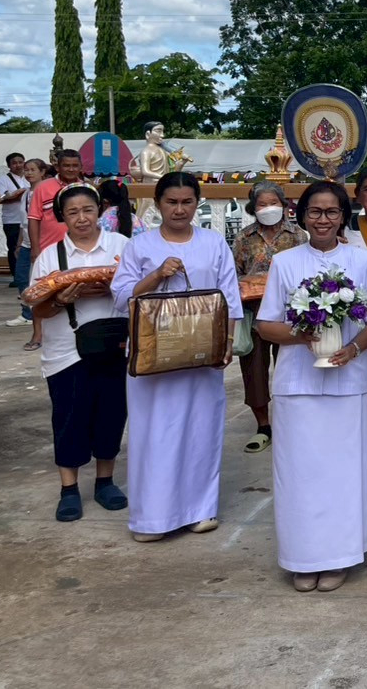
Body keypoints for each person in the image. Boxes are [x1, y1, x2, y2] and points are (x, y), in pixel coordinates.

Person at [255, 180, 367, 593]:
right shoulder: (285, 262)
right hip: (298, 383)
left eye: (332, 212)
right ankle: (304, 556)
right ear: (302, 215)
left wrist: (354, 348)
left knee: (344, 473)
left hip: (348, 383)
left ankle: (340, 555)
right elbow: (265, 325)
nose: (323, 219)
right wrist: (302, 335)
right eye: (315, 211)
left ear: (344, 215)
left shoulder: (362, 261)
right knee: (301, 474)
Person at [110, 172, 243, 542]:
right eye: (172, 202)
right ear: (157, 204)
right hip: (154, 355)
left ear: (197, 203)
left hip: (202, 353)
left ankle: (200, 510)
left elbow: (230, 297)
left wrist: (227, 342)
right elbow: (121, 296)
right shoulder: (141, 246)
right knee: (155, 433)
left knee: (201, 429)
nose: (180, 209)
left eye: (187, 202)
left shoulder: (214, 243)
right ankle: (152, 518)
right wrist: (156, 275)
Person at [25, 182, 130, 522]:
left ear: (99, 210)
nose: (82, 218)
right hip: (66, 352)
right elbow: (37, 309)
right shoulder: (50, 257)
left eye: (87, 210)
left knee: (111, 414)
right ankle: (68, 488)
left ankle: (105, 481)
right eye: (72, 212)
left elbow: (142, 294)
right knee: (69, 418)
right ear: (62, 217)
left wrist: (114, 288)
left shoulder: (121, 247)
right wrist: (59, 299)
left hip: (114, 346)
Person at [231, 180, 307, 454]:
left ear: (283, 205)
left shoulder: (298, 236)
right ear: (253, 207)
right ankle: (263, 426)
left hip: (291, 314)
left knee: (294, 367)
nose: (268, 208)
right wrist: (251, 284)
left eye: (273, 203)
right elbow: (234, 275)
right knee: (254, 371)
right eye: (262, 204)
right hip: (255, 314)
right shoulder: (244, 238)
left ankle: (292, 423)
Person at [6, 158, 48, 332]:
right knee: (21, 277)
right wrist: (19, 243)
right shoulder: (25, 194)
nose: (29, 173)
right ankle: (27, 312)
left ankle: (41, 312)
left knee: (40, 278)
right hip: (26, 242)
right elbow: (24, 222)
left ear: (42, 172)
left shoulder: (45, 192)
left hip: (41, 241)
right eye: (27, 170)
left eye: (33, 170)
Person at [29, 150, 84, 260]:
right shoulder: (42, 187)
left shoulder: (86, 188)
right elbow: (33, 219)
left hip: (80, 249)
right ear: (57, 167)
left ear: (81, 167)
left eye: (75, 166)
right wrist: (35, 248)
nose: (71, 169)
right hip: (48, 249)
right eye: (66, 166)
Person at [0, 152, 30, 286]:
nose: (18, 165)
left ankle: (28, 275)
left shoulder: (28, 178)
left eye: (20, 162)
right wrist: (19, 194)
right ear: (9, 166)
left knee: (28, 247)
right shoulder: (3, 180)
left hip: (28, 218)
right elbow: (1, 199)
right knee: (14, 247)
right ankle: (17, 276)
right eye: (14, 163)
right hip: (12, 219)